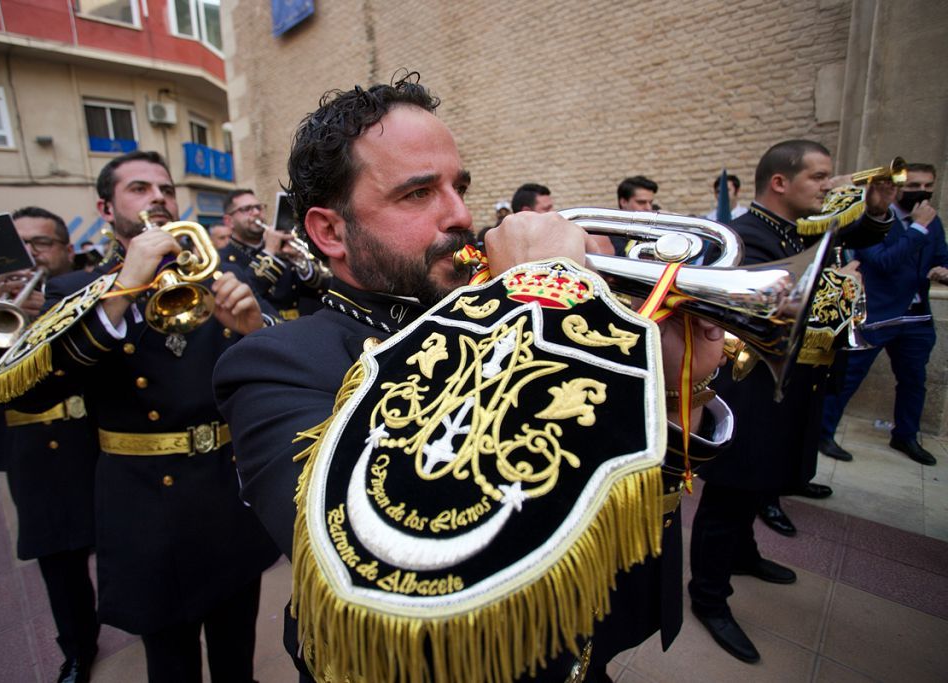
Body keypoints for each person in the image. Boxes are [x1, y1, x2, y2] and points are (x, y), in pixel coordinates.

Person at [215, 74, 732, 683]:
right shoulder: (273, 365)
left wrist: (681, 391)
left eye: (459, 187)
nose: (460, 215)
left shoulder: (497, 311)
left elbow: (600, 514)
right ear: (330, 232)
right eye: (417, 194)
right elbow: (390, 556)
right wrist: (542, 297)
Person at [0, 151, 280, 682]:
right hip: (144, 503)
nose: (158, 200)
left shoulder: (221, 272)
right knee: (171, 663)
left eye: (165, 190)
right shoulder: (77, 290)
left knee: (238, 652)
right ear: (107, 208)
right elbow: (31, 390)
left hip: (222, 488)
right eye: (139, 190)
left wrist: (256, 329)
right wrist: (122, 289)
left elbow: (271, 370)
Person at [688, 140, 895, 664]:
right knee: (729, 497)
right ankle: (709, 598)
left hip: (792, 383)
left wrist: (874, 207)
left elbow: (858, 231)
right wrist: (837, 289)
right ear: (780, 182)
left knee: (764, 483)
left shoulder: (802, 226)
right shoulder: (745, 236)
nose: (829, 185)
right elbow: (769, 307)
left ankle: (744, 554)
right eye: (819, 177)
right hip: (749, 387)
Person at [0, 206, 101, 682]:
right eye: (21, 245)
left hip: (98, 443)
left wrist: (50, 315)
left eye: (42, 244)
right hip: (35, 458)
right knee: (60, 566)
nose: (31, 254)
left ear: (66, 251)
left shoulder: (88, 295)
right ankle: (77, 648)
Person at [818, 162, 947, 466]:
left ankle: (905, 435)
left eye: (928, 186)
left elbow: (941, 255)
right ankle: (823, 433)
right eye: (913, 185)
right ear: (897, 188)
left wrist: (943, 270)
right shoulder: (875, 221)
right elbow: (882, 262)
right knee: (847, 379)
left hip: (915, 316)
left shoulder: (933, 221)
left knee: (914, 380)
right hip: (876, 313)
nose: (922, 192)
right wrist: (916, 230)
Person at [223, 188, 326, 320]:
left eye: (258, 207)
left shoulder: (282, 246)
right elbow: (244, 296)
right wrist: (270, 252)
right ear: (229, 221)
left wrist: (301, 262)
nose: (255, 213)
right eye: (246, 209)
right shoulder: (223, 259)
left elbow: (319, 290)